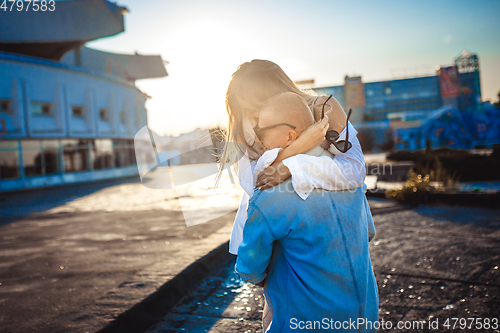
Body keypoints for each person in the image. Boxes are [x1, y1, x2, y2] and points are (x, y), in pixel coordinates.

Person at [236, 91, 378, 332]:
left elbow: (249, 268)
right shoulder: (348, 179)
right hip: (364, 320)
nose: (259, 142)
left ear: (290, 135)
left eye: (261, 133)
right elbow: (368, 233)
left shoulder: (270, 194)